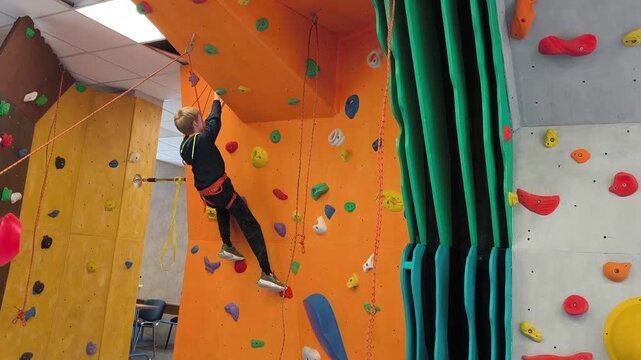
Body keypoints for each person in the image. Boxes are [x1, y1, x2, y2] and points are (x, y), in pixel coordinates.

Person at [174, 94, 286, 292]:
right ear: (196, 125)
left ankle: (226, 244)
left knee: (221, 209)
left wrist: (210, 112)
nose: (204, 122)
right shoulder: (204, 139)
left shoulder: (184, 146)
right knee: (251, 225)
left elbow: (206, 125)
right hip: (220, 189)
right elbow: (214, 122)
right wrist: (217, 101)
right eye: (200, 120)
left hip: (207, 194)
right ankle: (267, 273)